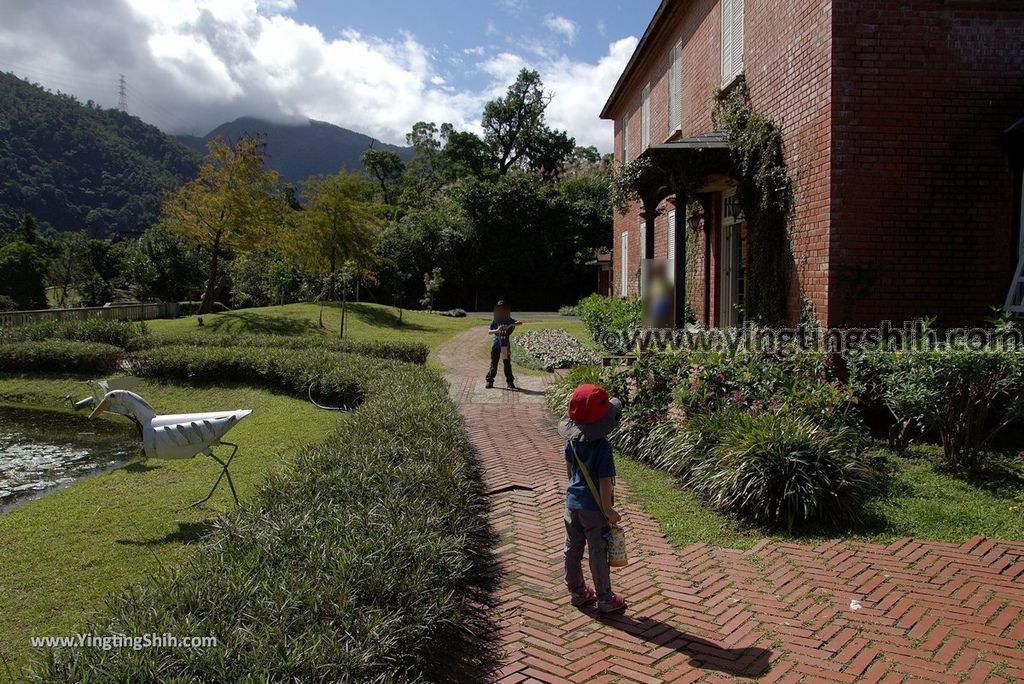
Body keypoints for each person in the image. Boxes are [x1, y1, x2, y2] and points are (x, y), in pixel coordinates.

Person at [558, 383, 628, 614]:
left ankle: (578, 592)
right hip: (594, 508)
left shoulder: (572, 443)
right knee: (597, 550)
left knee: (573, 547)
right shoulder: (603, 448)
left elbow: (570, 473)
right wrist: (607, 510)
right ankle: (605, 598)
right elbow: (605, 481)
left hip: (572, 504)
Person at [486, 300, 521, 390]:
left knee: (507, 364)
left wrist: (510, 325)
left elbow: (520, 323)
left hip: (505, 346)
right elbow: (489, 331)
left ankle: (510, 382)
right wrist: (497, 330)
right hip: (496, 345)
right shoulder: (496, 320)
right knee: (494, 363)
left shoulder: (508, 319)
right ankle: (490, 381)